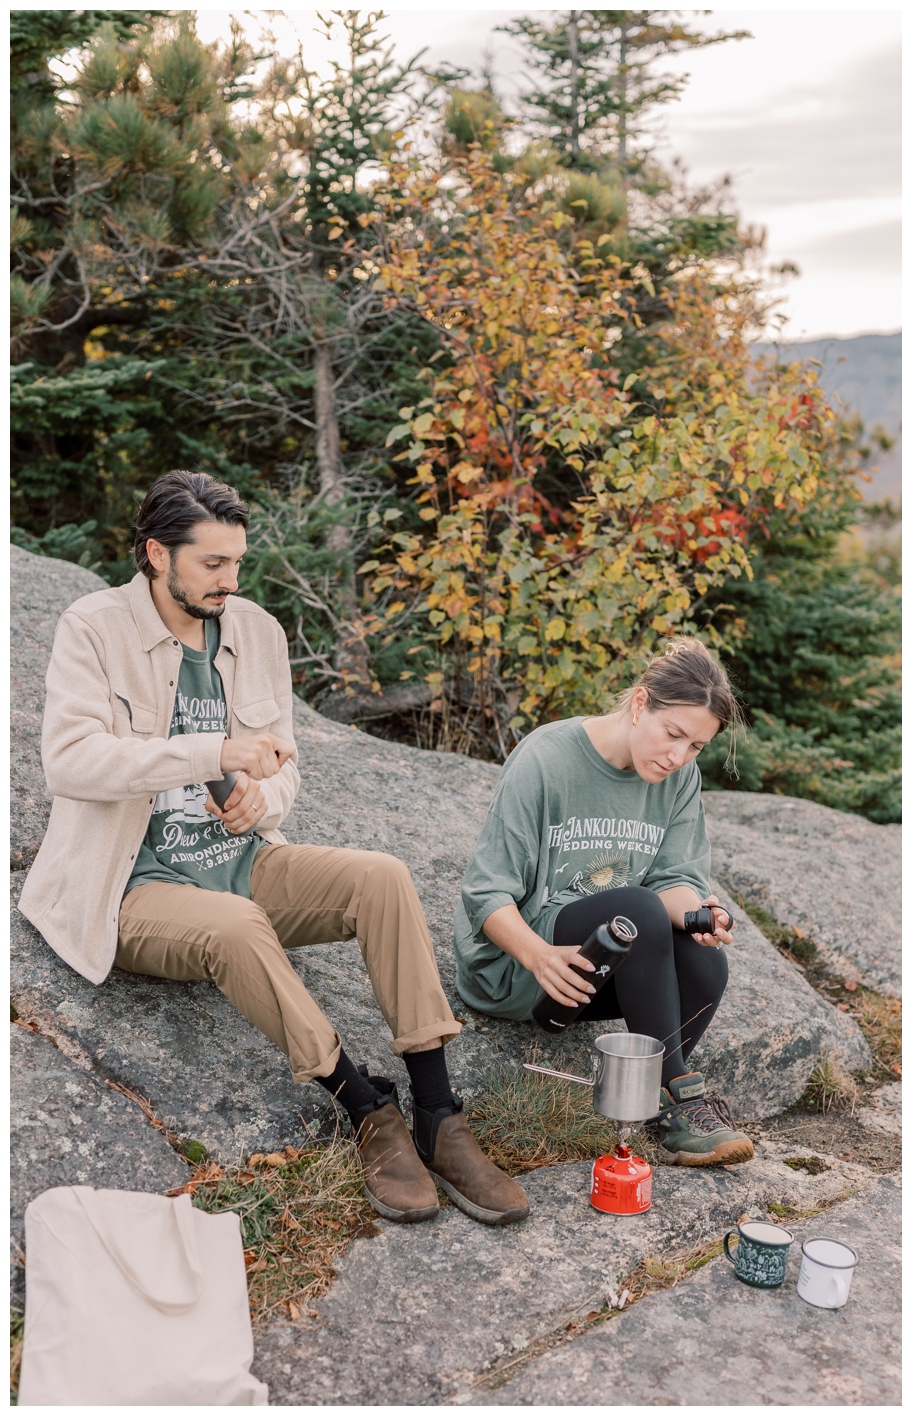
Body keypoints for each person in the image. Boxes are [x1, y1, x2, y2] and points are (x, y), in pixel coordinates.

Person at [20, 470, 529, 1226]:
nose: (231, 581)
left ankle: (437, 1110)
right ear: (157, 555)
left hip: (240, 861)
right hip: (130, 887)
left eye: (238, 563)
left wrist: (266, 798)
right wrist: (209, 752)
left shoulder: (256, 630)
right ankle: (365, 1109)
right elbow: (70, 762)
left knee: (381, 877)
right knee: (238, 927)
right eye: (212, 564)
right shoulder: (93, 627)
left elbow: (282, 759)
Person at [454, 638, 755, 1168]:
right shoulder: (547, 758)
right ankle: (680, 1099)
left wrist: (695, 915)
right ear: (640, 704)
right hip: (524, 967)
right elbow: (485, 891)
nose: (678, 757)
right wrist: (537, 955)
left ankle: (652, 1104)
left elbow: (673, 879)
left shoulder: (679, 778)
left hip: (602, 966)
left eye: (695, 747)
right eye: (673, 734)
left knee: (705, 963)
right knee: (635, 912)